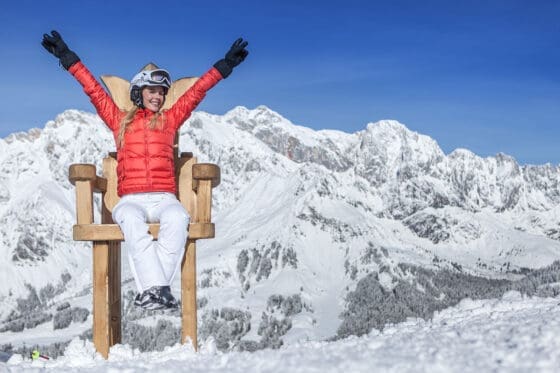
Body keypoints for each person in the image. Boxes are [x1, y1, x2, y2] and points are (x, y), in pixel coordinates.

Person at [42, 30, 248, 310]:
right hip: (131, 199)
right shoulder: (119, 122)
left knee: (178, 218)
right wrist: (68, 59)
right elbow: (93, 90)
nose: (158, 96)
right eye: (153, 90)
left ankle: (151, 291)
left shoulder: (171, 119)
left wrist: (224, 67)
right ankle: (157, 290)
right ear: (139, 93)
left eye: (162, 92)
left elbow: (197, 93)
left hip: (165, 198)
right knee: (130, 221)